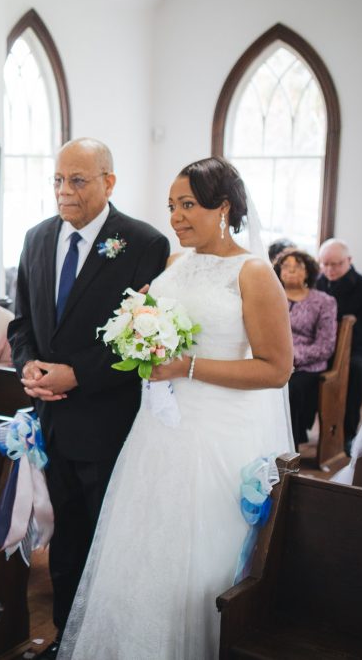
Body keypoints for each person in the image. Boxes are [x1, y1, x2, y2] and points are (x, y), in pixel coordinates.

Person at [60, 157, 294, 659]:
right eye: (172, 206)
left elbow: (277, 369)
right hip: (157, 430)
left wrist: (188, 368)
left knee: (193, 557)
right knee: (143, 550)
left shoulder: (253, 273)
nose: (176, 217)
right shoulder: (173, 265)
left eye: (188, 205)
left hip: (215, 437)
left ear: (223, 206)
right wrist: (136, 330)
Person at [8, 138, 170, 658]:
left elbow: (143, 339)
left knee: (111, 540)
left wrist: (78, 375)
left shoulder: (143, 243)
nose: (65, 191)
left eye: (77, 180)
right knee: (67, 540)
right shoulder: (36, 239)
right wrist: (27, 367)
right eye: (58, 180)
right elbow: (21, 323)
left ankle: (111, 641)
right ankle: (68, 638)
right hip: (50, 422)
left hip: (108, 422)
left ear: (108, 182)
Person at [316, 238, 362, 447]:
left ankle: (349, 433)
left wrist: (336, 341)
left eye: (335, 264)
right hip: (320, 344)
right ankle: (300, 429)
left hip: (353, 347)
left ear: (349, 260)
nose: (329, 269)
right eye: (325, 264)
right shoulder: (317, 283)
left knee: (353, 368)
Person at [275, 248, 337, 446]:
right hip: (272, 357)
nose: (291, 271)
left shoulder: (324, 301)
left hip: (307, 366)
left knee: (289, 387)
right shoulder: (270, 296)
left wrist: (293, 357)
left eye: (298, 266)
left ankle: (289, 446)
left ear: (308, 271)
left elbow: (326, 345)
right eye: (286, 266)